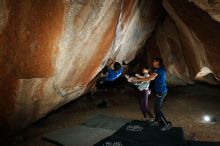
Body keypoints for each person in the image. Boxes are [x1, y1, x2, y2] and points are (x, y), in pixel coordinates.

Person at [128, 57, 171, 131]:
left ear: (158, 62)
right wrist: (139, 78)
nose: (152, 63)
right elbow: (151, 78)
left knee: (157, 109)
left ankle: (167, 124)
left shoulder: (159, 70)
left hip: (161, 92)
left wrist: (136, 80)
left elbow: (149, 78)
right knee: (156, 109)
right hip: (159, 92)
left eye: (154, 61)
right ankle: (157, 121)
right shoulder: (158, 70)